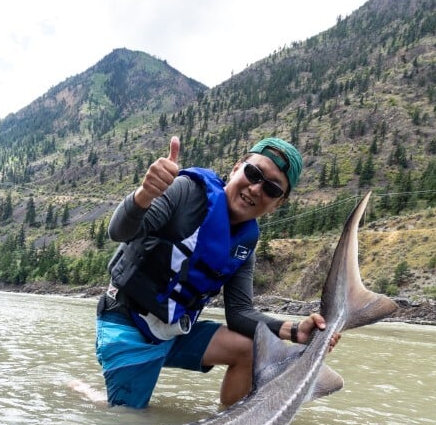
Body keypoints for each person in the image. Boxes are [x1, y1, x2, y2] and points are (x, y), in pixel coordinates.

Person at [95, 135, 338, 409]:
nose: (255, 189)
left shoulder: (245, 244)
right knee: (128, 418)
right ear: (236, 168)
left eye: (271, 189)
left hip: (174, 332)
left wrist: (294, 331)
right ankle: (95, 394)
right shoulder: (186, 191)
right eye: (253, 173)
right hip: (127, 323)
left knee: (250, 348)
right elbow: (119, 231)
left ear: (278, 204)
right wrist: (145, 194)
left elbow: (239, 314)